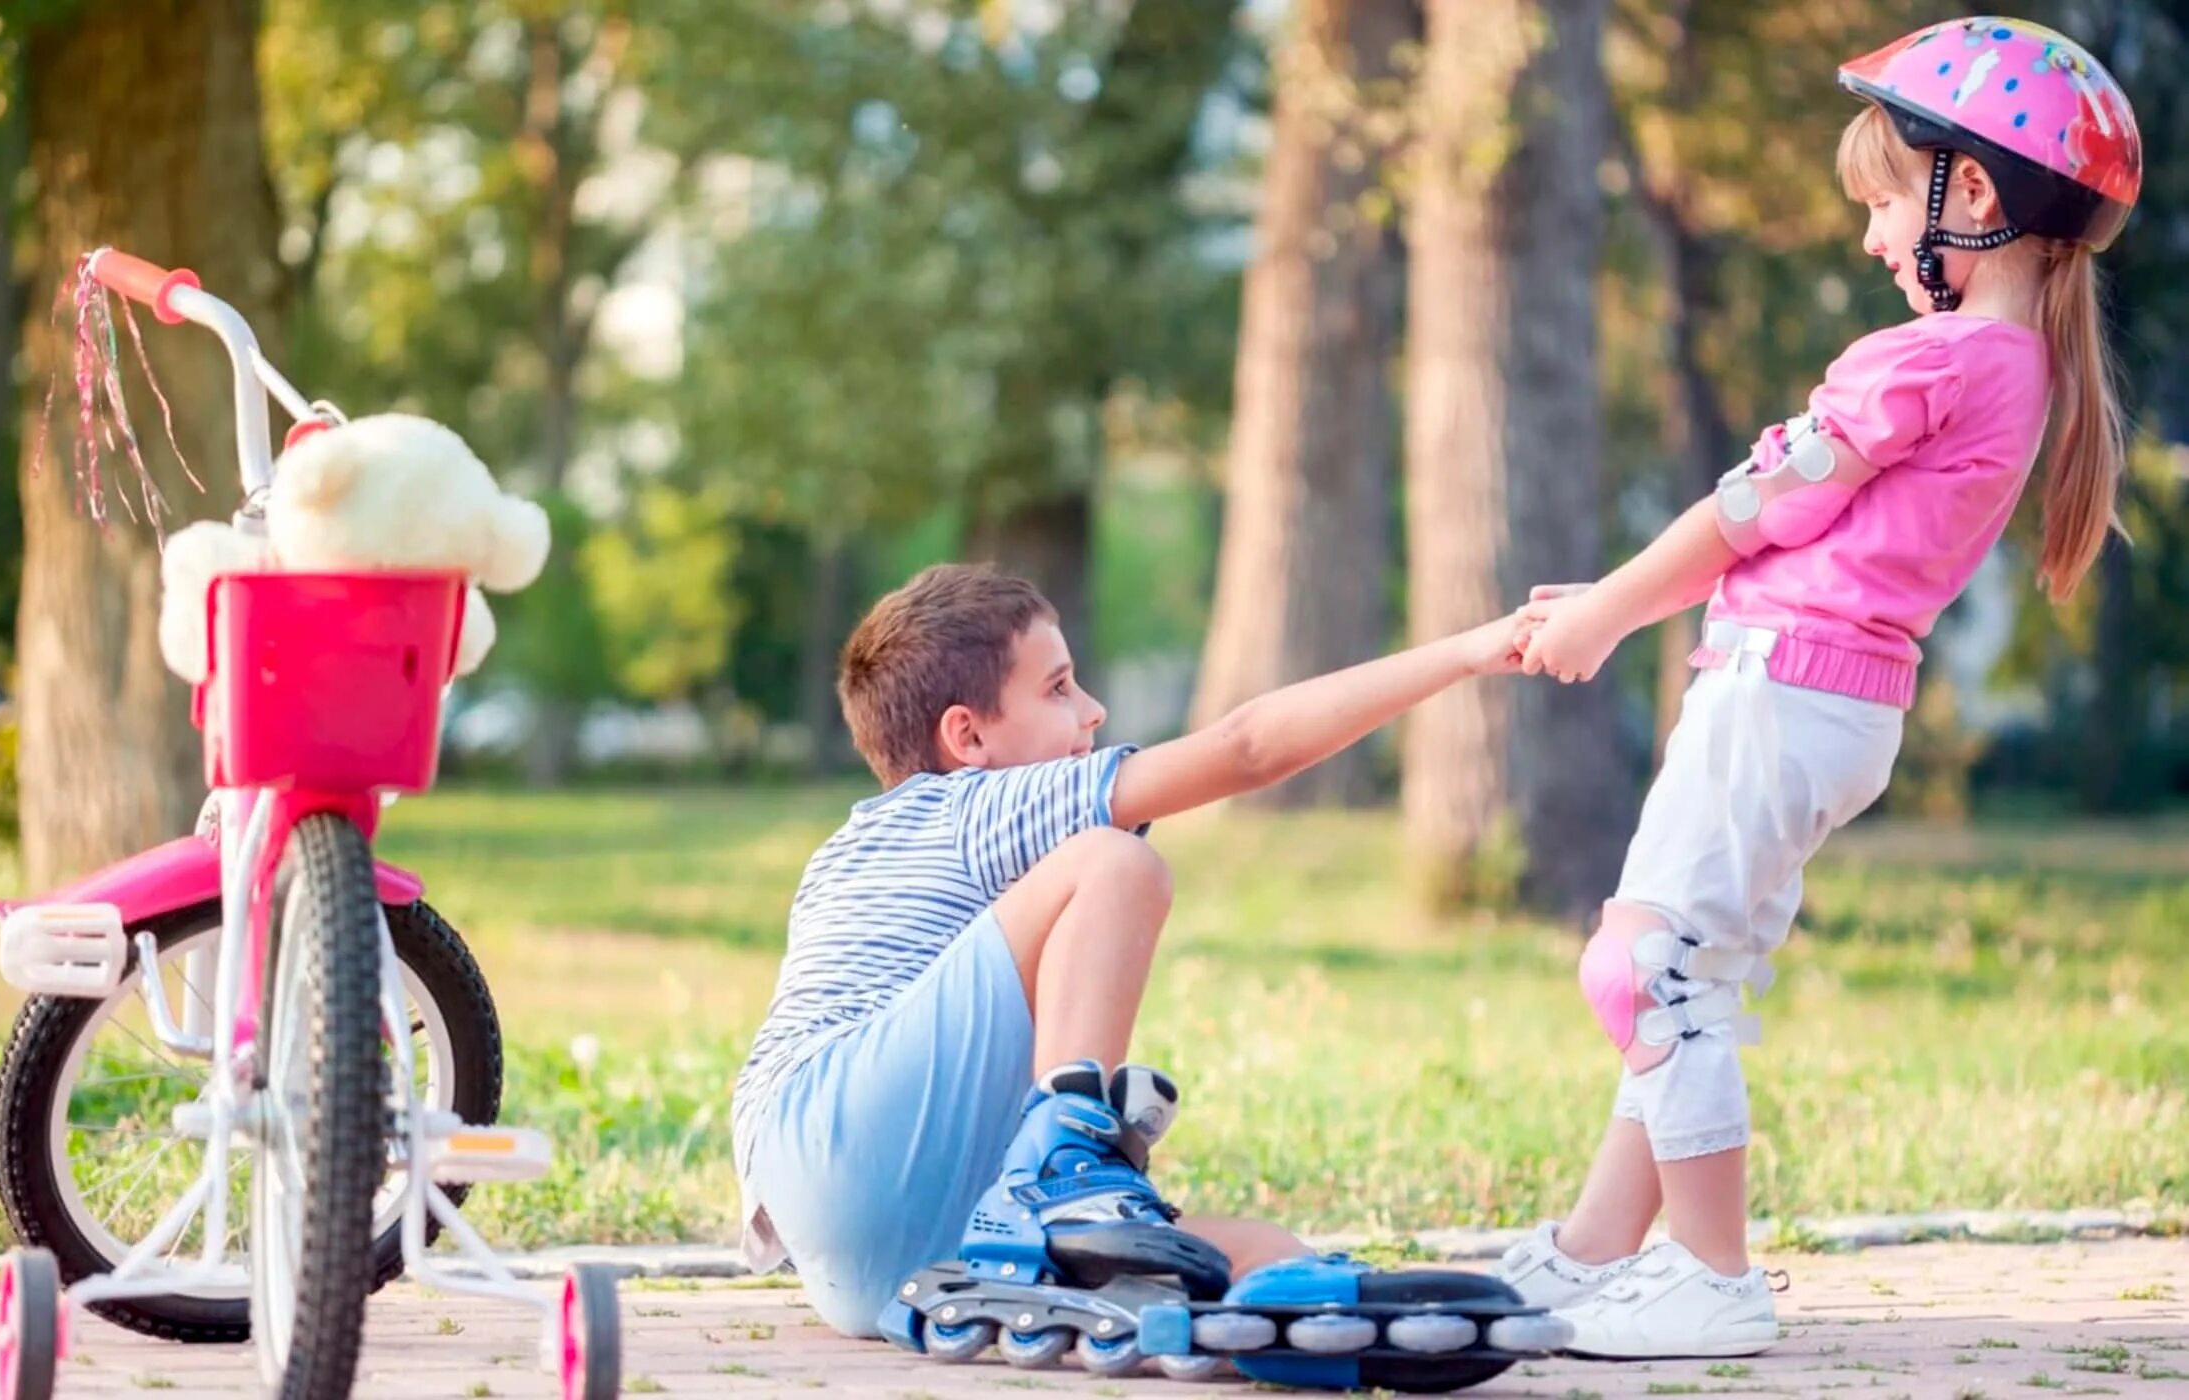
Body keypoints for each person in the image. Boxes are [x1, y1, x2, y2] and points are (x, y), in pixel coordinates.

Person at [1498, 16, 2142, 1359]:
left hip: (1780, 694)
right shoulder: (2014, 368)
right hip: (1827, 704)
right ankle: (1594, 1253)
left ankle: (1712, 1277)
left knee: (1645, 965)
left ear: (1972, 197)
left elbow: (1749, 517)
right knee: (1691, 969)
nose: (1867, 238)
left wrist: (1611, 609)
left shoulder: (1932, 359)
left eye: (1885, 200)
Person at [728, 562, 1527, 1336]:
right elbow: (1247, 748)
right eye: (1058, 687)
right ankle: (1065, 1170)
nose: (1094, 709)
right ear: (966, 736)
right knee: (1113, 860)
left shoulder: (852, 846)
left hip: (863, 1249)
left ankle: (1308, 1313)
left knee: (1258, 1255)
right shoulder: (972, 804)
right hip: (838, 1129)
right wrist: (1466, 652)